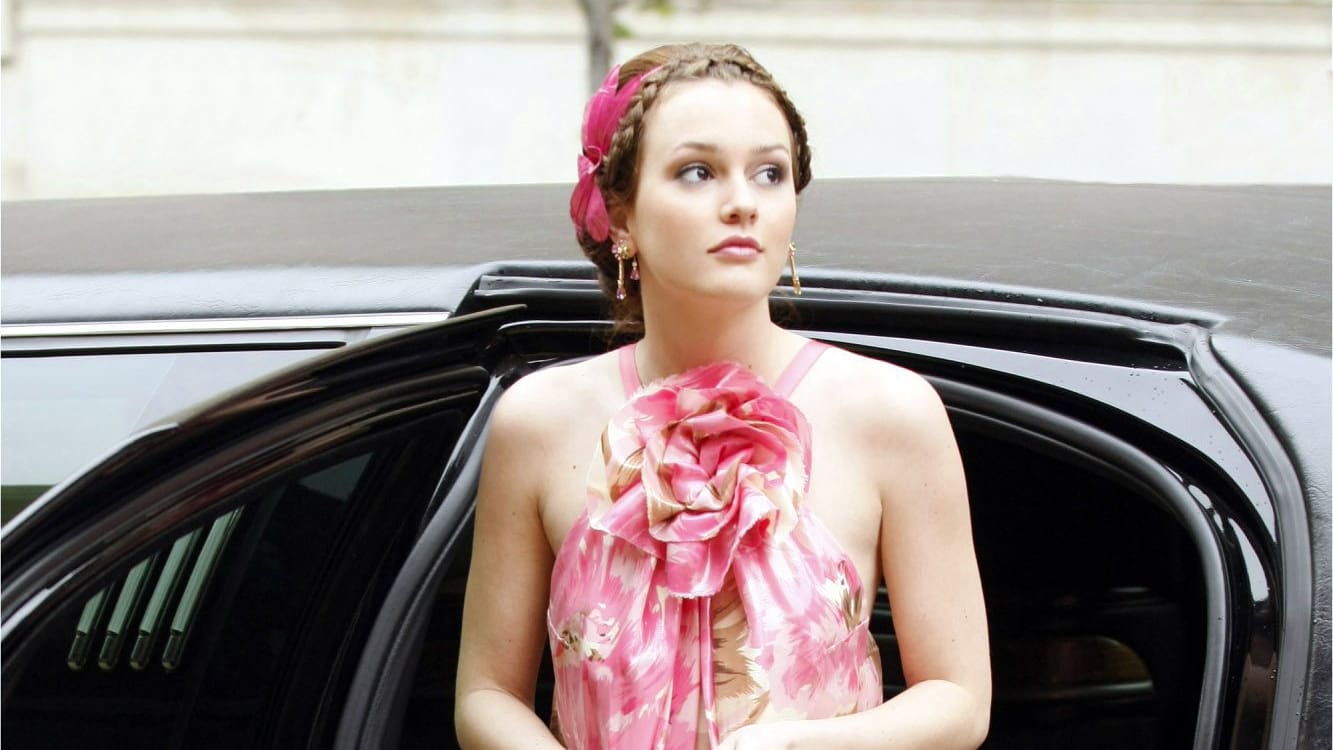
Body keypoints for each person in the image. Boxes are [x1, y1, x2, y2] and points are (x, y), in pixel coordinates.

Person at [455, 43, 990, 750]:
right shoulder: (539, 420)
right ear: (620, 215)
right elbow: (486, 694)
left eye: (770, 173)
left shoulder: (891, 413)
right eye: (697, 172)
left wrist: (790, 747)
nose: (742, 203)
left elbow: (959, 699)